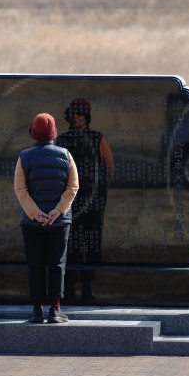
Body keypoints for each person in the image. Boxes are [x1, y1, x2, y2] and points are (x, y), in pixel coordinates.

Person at [14, 113, 79, 323]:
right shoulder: (66, 155)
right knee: (57, 264)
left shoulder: (24, 156)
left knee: (36, 265)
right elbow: (73, 187)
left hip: (31, 223)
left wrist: (35, 213)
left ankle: (37, 311)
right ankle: (55, 310)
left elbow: (20, 189)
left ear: (34, 133)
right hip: (59, 222)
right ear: (54, 133)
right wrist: (57, 211)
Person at [56, 98, 114, 301]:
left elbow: (108, 166)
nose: (77, 117)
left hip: (94, 199)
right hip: (69, 199)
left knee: (91, 242)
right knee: (70, 243)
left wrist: (100, 191)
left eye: (80, 113)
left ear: (87, 116)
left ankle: (88, 287)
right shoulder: (62, 140)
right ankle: (69, 287)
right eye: (74, 113)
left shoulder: (98, 138)